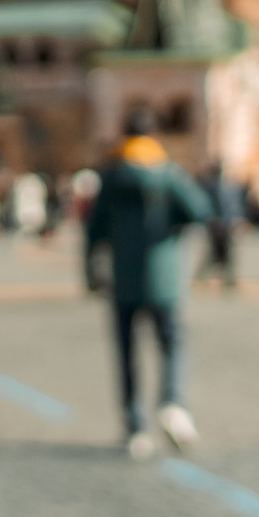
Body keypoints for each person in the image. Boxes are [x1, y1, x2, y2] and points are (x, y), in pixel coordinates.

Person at [85, 111, 213, 460]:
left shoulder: (112, 175)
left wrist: (89, 274)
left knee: (127, 353)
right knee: (172, 343)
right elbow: (200, 209)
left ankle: (134, 427)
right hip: (165, 276)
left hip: (122, 277)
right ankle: (172, 402)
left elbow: (94, 229)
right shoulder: (168, 172)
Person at [197, 161, 241, 289]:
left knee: (226, 252)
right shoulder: (212, 186)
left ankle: (229, 278)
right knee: (215, 252)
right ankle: (203, 276)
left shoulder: (225, 185)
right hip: (216, 224)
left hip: (224, 223)